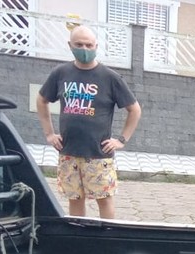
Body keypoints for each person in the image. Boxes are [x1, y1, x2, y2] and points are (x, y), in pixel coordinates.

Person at [36, 24, 141, 219]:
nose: (84, 49)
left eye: (89, 45)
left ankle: (108, 241)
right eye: (79, 44)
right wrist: (49, 134)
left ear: (96, 46)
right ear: (70, 45)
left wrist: (121, 140)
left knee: (104, 199)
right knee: (75, 199)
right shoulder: (61, 73)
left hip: (98, 154)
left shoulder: (110, 77)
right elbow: (42, 100)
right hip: (68, 152)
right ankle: (80, 239)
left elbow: (134, 109)